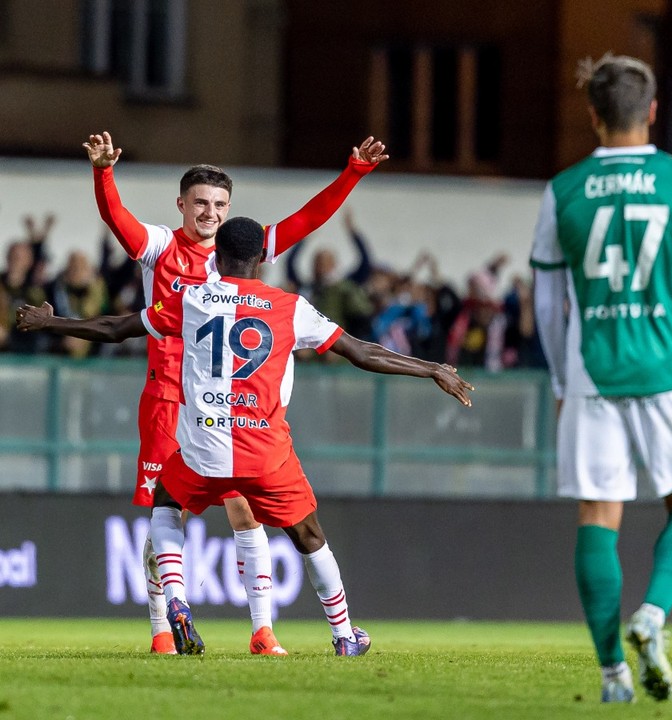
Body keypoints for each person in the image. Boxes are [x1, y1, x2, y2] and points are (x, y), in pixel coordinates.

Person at [16, 216, 474, 656]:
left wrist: (51, 322)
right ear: (260, 260)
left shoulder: (191, 299)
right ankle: (343, 634)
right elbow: (362, 352)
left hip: (203, 450)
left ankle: (175, 598)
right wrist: (432, 367)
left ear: (215, 254)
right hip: (265, 454)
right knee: (309, 536)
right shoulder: (290, 308)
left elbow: (115, 328)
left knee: (166, 503)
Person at [83, 130, 388, 655]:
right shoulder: (160, 245)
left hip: (226, 405)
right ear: (181, 205)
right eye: (200, 202)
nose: (210, 212)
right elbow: (117, 219)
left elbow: (308, 220)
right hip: (168, 398)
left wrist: (352, 173)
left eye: (219, 204)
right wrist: (104, 173)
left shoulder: (240, 248)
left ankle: (262, 630)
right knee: (165, 513)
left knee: (236, 511)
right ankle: (162, 633)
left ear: (230, 212)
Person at [529, 53, 672, 703]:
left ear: (593, 115)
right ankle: (654, 613)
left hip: (591, 372)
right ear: (654, 110)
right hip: (670, 373)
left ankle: (611, 676)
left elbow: (547, 304)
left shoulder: (563, 190)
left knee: (598, 516)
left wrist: (558, 382)